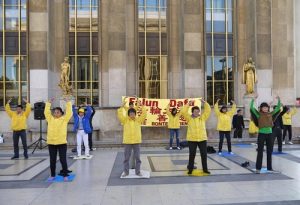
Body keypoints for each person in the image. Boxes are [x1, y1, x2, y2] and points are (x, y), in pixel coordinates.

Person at [250, 95, 281, 174]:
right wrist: (253, 100)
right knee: (260, 151)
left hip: (270, 134)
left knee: (269, 151)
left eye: (266, 107)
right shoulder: (258, 114)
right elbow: (251, 108)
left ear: (268, 108)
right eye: (263, 107)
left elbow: (278, 108)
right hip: (262, 134)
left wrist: (279, 100)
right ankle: (258, 168)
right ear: (261, 108)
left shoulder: (271, 114)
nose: (265, 108)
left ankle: (269, 168)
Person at [44, 98, 73, 182]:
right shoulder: (50, 119)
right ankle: (52, 175)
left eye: (58, 112)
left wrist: (68, 103)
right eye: (55, 112)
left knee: (63, 159)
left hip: (62, 143)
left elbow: (70, 113)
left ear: (61, 113)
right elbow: (46, 113)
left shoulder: (64, 119)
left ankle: (65, 175)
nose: (56, 114)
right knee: (52, 160)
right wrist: (48, 103)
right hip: (51, 143)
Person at [181, 98, 211, 175]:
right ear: (192, 112)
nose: (197, 113)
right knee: (192, 154)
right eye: (195, 111)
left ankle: (205, 169)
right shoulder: (189, 118)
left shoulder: (202, 118)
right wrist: (188, 104)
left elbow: (208, 111)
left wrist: (205, 103)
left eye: (198, 111)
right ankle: (190, 169)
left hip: (202, 139)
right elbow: (183, 111)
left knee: (204, 154)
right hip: (192, 139)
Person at [117, 101, 146, 177]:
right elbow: (119, 115)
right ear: (128, 114)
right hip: (128, 141)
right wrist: (121, 107)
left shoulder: (138, 120)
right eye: (130, 114)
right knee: (126, 158)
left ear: (135, 114)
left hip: (136, 141)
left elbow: (144, 114)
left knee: (138, 158)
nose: (132, 115)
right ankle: (126, 172)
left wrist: (141, 106)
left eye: (133, 113)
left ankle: (138, 172)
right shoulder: (125, 120)